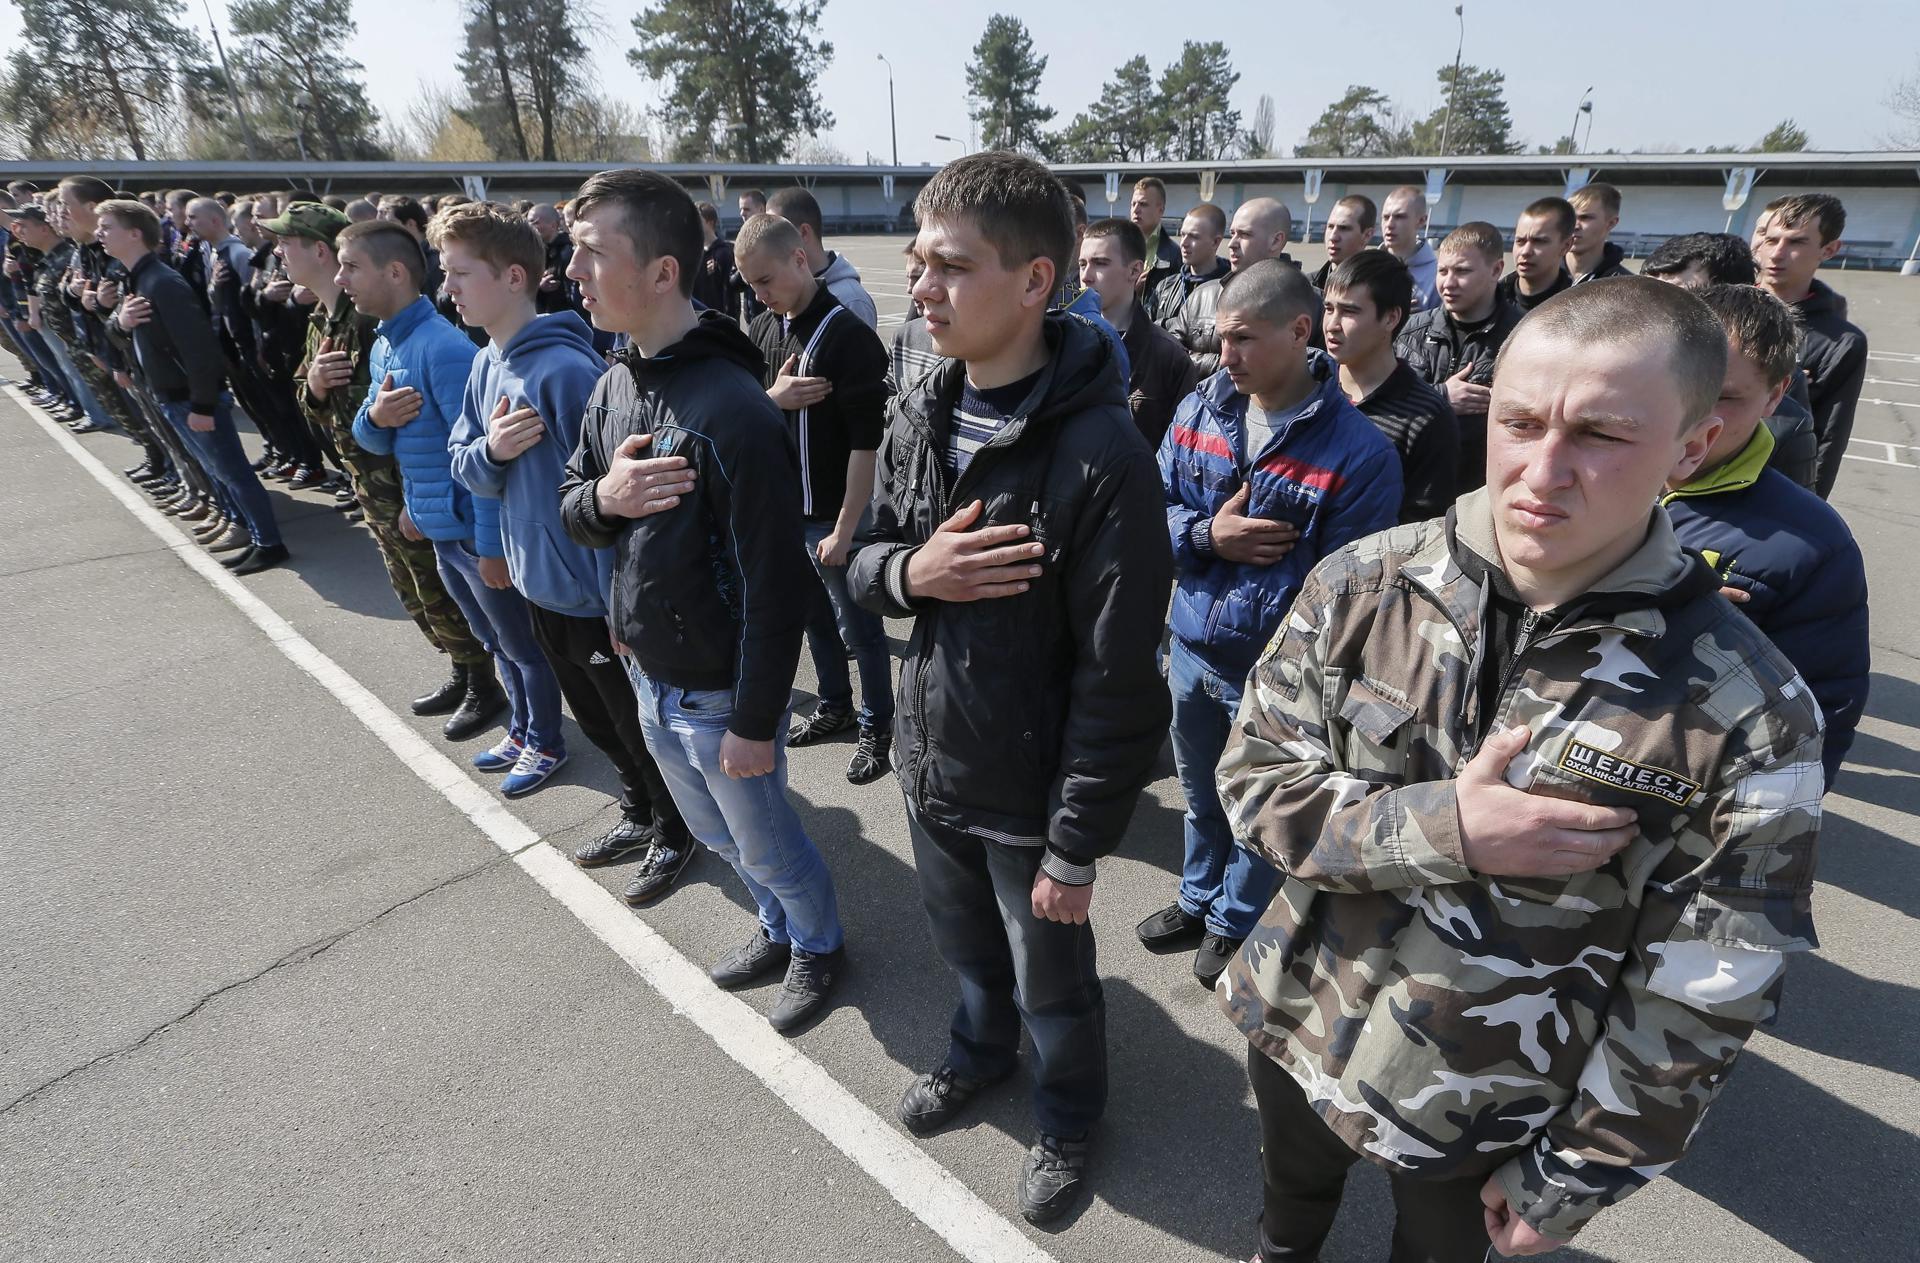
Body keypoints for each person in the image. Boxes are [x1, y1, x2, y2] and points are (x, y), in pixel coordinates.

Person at [1218, 276, 1825, 1263]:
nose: (1543, 471)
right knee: (1287, 1214)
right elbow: (1253, 786)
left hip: (1487, 1103)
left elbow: (1708, 986)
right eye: (1520, 421)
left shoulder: (1749, 712)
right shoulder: (1364, 584)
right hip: (1301, 1017)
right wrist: (1446, 828)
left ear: (1691, 448)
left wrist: (1583, 1169)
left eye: (1600, 435)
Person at [847, 151, 1172, 1225]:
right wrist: (910, 573)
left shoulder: (1102, 456)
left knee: (1054, 981)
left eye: (949, 267)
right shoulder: (924, 409)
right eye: (916, 264)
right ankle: (977, 1053)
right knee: (966, 951)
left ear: (1036, 283)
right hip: (932, 757)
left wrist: (1078, 842)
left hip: (1030, 797)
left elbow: (1120, 675)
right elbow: (867, 561)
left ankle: (1068, 1112)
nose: (922, 289)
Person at [558, 168, 846, 1035]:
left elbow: (776, 582)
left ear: (662, 273)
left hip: (719, 692)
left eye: (591, 254)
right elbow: (574, 503)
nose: (572, 273)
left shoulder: (732, 411)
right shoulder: (615, 382)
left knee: (765, 841)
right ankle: (776, 923)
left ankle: (819, 943)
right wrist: (607, 498)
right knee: (720, 840)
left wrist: (757, 719)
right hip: (651, 674)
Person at [1149, 258, 1400, 988]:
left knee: (1258, 809)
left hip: (1279, 675)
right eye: (1220, 339)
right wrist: (1207, 538)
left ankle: (1235, 918)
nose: (1225, 357)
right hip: (1191, 648)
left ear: (1299, 331)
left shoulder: (1360, 453)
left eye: (1242, 339)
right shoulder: (1203, 406)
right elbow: (1148, 510)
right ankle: (1197, 898)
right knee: (1200, 793)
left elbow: (1348, 588)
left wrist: (1243, 565)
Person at [268, 201, 493, 727]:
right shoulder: (325, 321)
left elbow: (450, 436)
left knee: (443, 588)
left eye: (287, 241)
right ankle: (464, 668)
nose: (278, 251)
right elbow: (318, 402)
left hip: (404, 483)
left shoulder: (378, 323)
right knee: (414, 586)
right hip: (368, 477)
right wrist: (319, 389)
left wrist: (412, 491)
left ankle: (482, 677)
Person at [1662, 283, 1868, 786]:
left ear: (1776, 395)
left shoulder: (1812, 545)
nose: (1698, 414)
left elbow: (1821, 710)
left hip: (1680, 791)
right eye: (1682, 385)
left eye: (1727, 397)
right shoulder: (1583, 474)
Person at [342, 219, 521, 746]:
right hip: (436, 523)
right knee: (487, 638)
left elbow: (480, 457)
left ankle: (529, 726)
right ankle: (486, 692)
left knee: (514, 646)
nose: (343, 278)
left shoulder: (442, 348)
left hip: (466, 527)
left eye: (352, 266)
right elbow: (372, 440)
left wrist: (487, 544)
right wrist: (376, 418)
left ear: (395, 272)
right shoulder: (384, 345)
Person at [734, 212, 896, 785]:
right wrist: (769, 397)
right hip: (786, 515)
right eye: (750, 284)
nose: (759, 293)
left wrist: (847, 527)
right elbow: (746, 409)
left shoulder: (848, 335)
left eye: (767, 279)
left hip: (833, 516)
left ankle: (879, 723)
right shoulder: (765, 327)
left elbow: (864, 443)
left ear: (801, 258)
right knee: (813, 623)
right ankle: (835, 706)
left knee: (861, 629)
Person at [100, 198, 289, 574]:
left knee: (234, 473)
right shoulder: (134, 279)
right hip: (170, 395)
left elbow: (200, 349)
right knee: (218, 473)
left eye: (107, 227)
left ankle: (269, 543)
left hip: (191, 398)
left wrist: (203, 405)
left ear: (135, 233)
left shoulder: (162, 282)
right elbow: (118, 333)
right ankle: (252, 534)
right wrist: (119, 322)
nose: (99, 234)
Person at [1643, 232, 1819, 491]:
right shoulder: (1623, 380)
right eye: (1648, 296)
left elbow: (1793, 517)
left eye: (1679, 300)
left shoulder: (1787, 429)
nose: (1656, 314)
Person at [1323, 249, 1459, 523]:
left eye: (1349, 311)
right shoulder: (1310, 386)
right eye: (1328, 308)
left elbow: (1421, 525)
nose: (1332, 325)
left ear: (1391, 318)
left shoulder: (1428, 417)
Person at [1396, 222, 1524, 492]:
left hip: (1477, 489)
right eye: (1442, 271)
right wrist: (1441, 397)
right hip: (1409, 484)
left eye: (1462, 271)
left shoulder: (1522, 338)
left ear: (1496, 270)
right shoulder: (1410, 331)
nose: (1448, 282)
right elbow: (1384, 405)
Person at [1754, 193, 1867, 499]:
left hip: (1765, 492)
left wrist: (1808, 508)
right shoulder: (1717, 308)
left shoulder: (1841, 343)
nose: (1777, 254)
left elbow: (1828, 437)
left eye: (1796, 242)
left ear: (1829, 249)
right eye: (1772, 239)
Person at [1077, 217, 1198, 448]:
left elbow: (1179, 452)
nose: (1086, 276)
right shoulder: (1065, 342)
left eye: (1100, 263)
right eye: (1082, 264)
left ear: (1134, 270)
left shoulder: (1169, 357)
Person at [1172, 197, 1294, 374]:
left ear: (1276, 241)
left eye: (1244, 234)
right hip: (1203, 400)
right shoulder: (1203, 296)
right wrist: (1224, 366)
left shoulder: (1308, 302)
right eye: (1233, 233)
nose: (1231, 244)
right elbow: (1171, 354)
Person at [767, 186, 877, 328]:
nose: (768, 244)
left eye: (776, 234)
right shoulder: (786, 293)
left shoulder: (850, 300)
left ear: (804, 233)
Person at [1147, 202, 1228, 329]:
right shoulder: (1165, 287)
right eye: (1183, 234)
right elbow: (1145, 331)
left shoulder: (1230, 290)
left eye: (1194, 237)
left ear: (1215, 242)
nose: (1184, 243)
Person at [1496, 197, 1576, 312]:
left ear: (1566, 246)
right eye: (1520, 241)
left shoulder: (1579, 309)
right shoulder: (1487, 302)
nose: (1525, 252)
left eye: (1539, 242)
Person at [1380, 185, 1439, 312]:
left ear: (1422, 220)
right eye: (1385, 217)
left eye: (1399, 217)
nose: (1389, 224)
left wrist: (1417, 321)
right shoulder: (1364, 267)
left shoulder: (1439, 277)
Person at [1308, 194, 1376, 290]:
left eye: (1344, 228)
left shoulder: (1379, 288)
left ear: (1367, 235)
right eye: (1330, 227)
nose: (1333, 237)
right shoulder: (1306, 286)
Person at [1129, 176, 1181, 298]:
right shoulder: (1116, 247)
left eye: (1143, 204)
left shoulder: (1174, 255)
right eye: (1133, 204)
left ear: (1160, 210)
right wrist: (1133, 292)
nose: (1136, 210)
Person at [1568, 182, 1631, 283]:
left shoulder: (1625, 286)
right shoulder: (1539, 273)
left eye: (1585, 217)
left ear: (1611, 223)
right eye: (1570, 217)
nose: (1574, 226)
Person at [524, 203, 576, 316]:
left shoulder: (569, 252)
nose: (530, 226)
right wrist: (539, 287)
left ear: (553, 225)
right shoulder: (534, 252)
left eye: (535, 222)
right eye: (529, 222)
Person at [690, 201, 737, 316]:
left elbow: (730, 291)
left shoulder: (724, 253)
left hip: (721, 319)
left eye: (697, 220)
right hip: (698, 317)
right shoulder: (693, 254)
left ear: (710, 222)